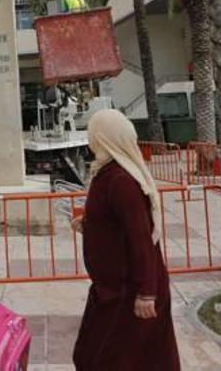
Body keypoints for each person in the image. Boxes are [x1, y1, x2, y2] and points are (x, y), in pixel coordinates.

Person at [71, 109, 180, 370]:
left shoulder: (121, 181)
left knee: (109, 358)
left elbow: (141, 238)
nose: (89, 138)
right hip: (111, 288)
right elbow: (115, 223)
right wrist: (89, 225)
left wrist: (146, 293)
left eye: (93, 133)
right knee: (93, 353)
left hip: (130, 291)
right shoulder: (107, 172)